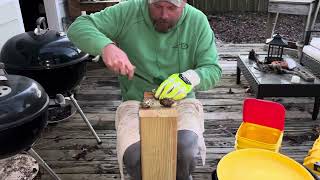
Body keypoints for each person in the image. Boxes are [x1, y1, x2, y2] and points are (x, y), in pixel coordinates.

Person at [67, 0, 222, 179]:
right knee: (134, 155)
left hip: (182, 99)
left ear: (184, 2)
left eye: (172, 8)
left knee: (185, 149)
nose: (164, 15)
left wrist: (190, 78)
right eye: (157, 6)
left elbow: (212, 68)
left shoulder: (197, 21)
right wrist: (106, 47)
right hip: (136, 99)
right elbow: (78, 27)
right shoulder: (128, 11)